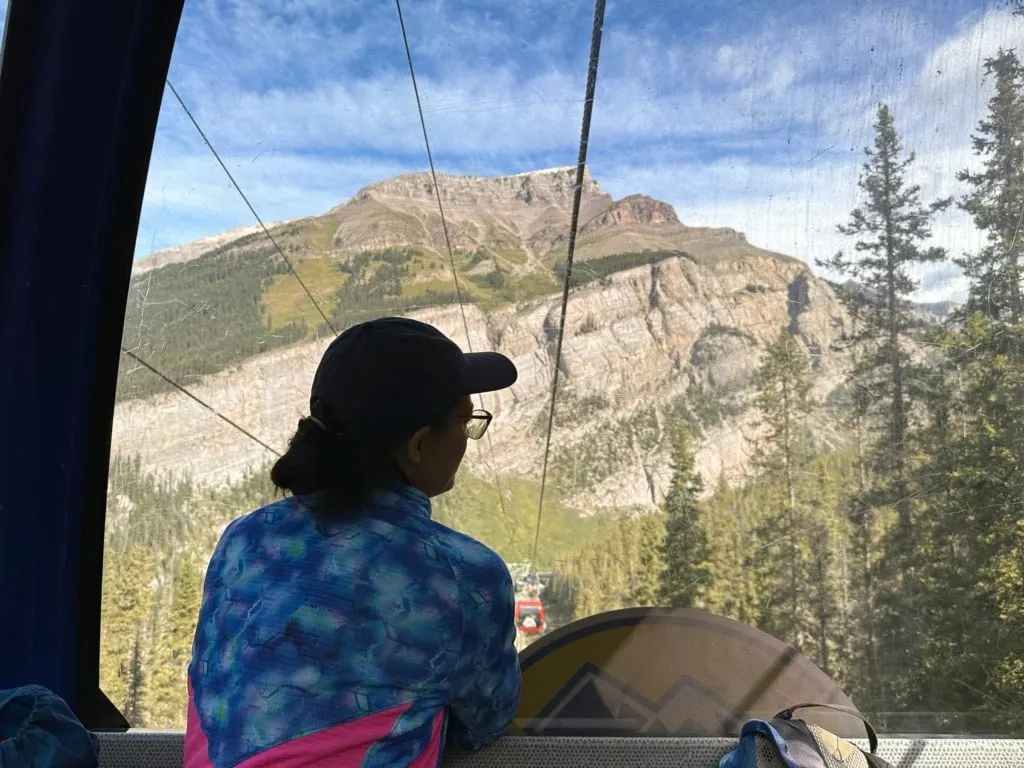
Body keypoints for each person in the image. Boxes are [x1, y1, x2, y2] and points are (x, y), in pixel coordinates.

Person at [184, 317, 522, 768]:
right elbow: (486, 719)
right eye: (466, 421)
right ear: (419, 445)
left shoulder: (244, 540)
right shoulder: (461, 575)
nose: (466, 437)